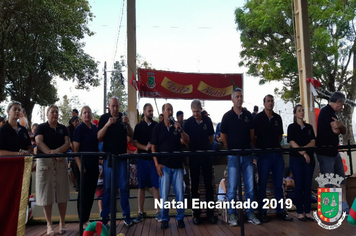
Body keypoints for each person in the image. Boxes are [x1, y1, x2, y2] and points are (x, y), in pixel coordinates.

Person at [220, 88, 261, 226]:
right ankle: (232, 214)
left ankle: (250, 213)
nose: (239, 98)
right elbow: (222, 136)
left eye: (241, 96)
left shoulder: (248, 115)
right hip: (233, 157)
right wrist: (230, 148)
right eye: (237, 96)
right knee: (232, 188)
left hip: (247, 156)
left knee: (249, 187)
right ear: (232, 99)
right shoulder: (227, 116)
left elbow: (251, 134)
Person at [253, 94, 292, 222]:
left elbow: (280, 136)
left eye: (272, 101)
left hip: (277, 154)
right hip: (264, 155)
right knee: (262, 185)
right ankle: (262, 213)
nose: (270, 103)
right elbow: (253, 137)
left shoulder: (277, 118)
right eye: (268, 101)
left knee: (278, 184)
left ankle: (281, 211)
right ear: (264, 103)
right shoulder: (258, 118)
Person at [151, 103, 189, 229]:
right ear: (163, 112)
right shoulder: (158, 128)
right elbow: (153, 147)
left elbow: (187, 140)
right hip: (164, 167)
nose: (170, 112)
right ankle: (165, 218)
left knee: (180, 194)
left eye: (171, 109)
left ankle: (180, 218)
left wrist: (180, 130)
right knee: (164, 195)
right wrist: (156, 164)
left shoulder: (177, 126)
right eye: (168, 110)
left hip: (177, 166)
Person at [98, 97, 134, 227]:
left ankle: (127, 216)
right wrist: (107, 124)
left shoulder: (122, 118)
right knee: (107, 188)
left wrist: (128, 123)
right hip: (109, 159)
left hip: (122, 158)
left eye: (117, 106)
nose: (115, 109)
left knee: (124, 187)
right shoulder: (104, 118)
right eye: (112, 106)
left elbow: (131, 135)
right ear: (108, 106)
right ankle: (105, 218)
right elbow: (99, 137)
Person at [35, 105, 71, 236]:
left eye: (56, 112)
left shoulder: (63, 128)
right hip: (45, 162)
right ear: (47, 114)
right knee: (46, 193)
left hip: (61, 161)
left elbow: (67, 143)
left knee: (62, 191)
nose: (54, 114)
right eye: (52, 112)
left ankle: (62, 222)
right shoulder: (41, 127)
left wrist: (57, 152)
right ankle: (49, 224)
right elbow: (39, 142)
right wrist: (50, 154)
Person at [184, 99, 216, 225]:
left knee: (209, 186)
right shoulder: (188, 122)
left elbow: (211, 138)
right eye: (193, 112)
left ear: (201, 110)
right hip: (193, 157)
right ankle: (196, 214)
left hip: (206, 156)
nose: (195, 114)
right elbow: (186, 140)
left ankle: (211, 213)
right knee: (195, 187)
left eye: (197, 111)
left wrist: (205, 148)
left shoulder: (207, 120)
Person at [316, 91, 349, 213]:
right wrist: (340, 126)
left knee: (341, 178)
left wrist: (341, 125)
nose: (342, 107)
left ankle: (343, 205)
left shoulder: (334, 113)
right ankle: (329, 208)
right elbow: (337, 130)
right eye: (342, 104)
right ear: (338, 102)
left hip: (334, 151)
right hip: (325, 152)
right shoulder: (326, 112)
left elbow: (343, 130)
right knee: (329, 181)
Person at [132, 103, 161, 223]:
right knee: (141, 187)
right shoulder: (139, 126)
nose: (151, 113)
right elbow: (134, 142)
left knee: (156, 186)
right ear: (144, 112)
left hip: (154, 160)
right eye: (149, 111)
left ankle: (158, 211)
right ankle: (140, 211)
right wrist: (145, 147)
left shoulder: (156, 126)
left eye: (152, 111)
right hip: (142, 160)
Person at [287, 104, 316, 221]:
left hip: (309, 158)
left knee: (308, 184)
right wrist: (303, 153)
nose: (302, 112)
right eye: (299, 111)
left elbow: (313, 141)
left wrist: (305, 150)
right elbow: (292, 142)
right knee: (299, 184)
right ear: (295, 113)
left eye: (303, 110)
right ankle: (299, 211)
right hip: (296, 158)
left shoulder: (309, 127)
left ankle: (308, 211)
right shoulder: (291, 127)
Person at [73, 106, 99, 228]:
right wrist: (80, 165)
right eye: (84, 113)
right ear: (81, 115)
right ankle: (81, 220)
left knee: (91, 193)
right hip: (83, 165)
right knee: (83, 193)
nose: (87, 114)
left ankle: (86, 218)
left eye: (89, 112)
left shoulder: (94, 128)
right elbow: (75, 149)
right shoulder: (79, 129)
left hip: (94, 164)